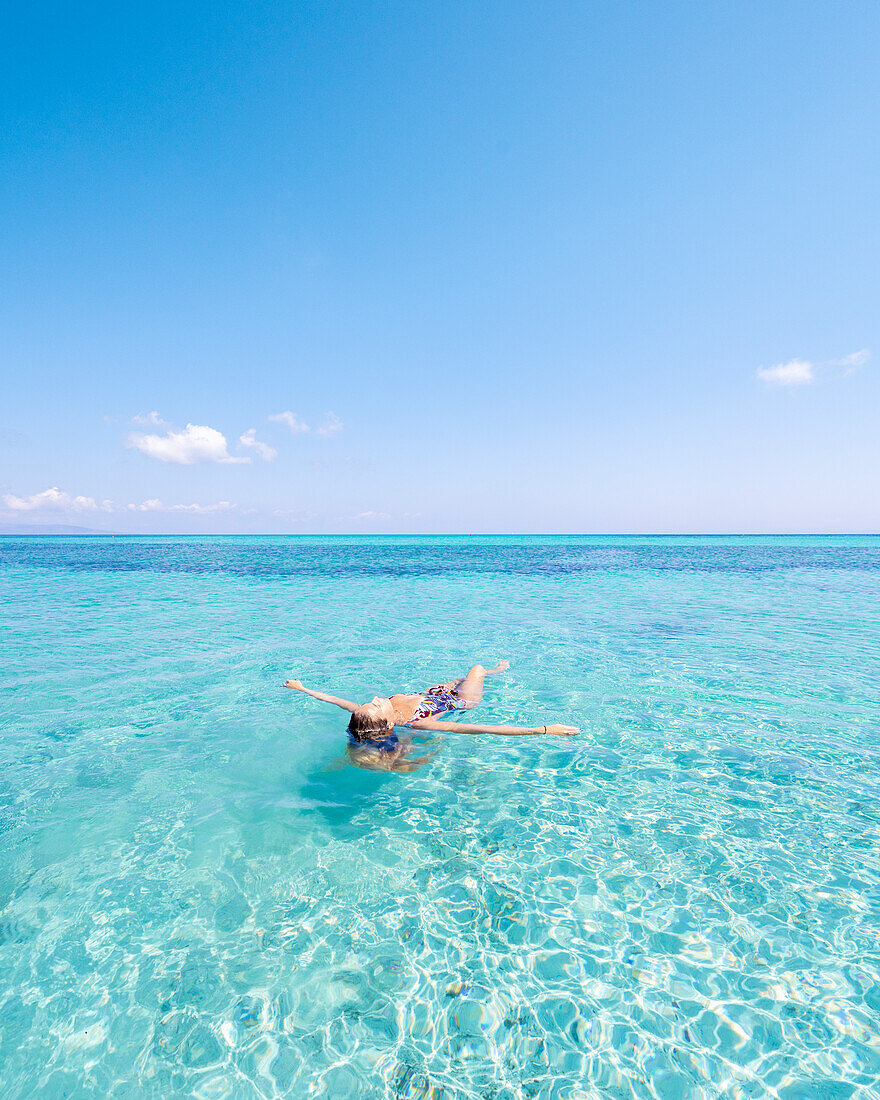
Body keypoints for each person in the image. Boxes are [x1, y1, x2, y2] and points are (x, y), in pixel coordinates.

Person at [284, 661, 579, 771]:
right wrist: (543, 730)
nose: (374, 698)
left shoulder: (367, 716)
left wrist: (302, 688)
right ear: (386, 722)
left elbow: (334, 700)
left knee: (456, 678)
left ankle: (475, 676)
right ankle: (493, 671)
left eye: (367, 702)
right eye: (375, 704)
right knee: (475, 670)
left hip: (433, 693)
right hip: (460, 701)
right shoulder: (418, 723)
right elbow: (482, 729)